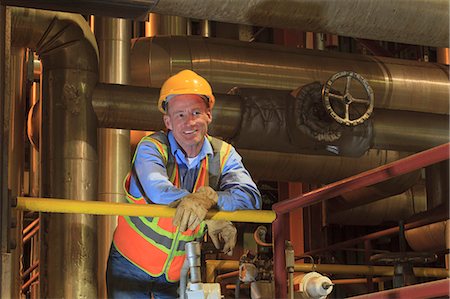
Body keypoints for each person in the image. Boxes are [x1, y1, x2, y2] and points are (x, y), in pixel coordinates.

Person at [106, 69, 262, 298]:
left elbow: (251, 197)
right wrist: (208, 216)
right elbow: (157, 191)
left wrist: (212, 201)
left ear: (209, 114)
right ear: (168, 121)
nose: (189, 122)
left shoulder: (224, 154)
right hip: (129, 264)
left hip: (177, 273)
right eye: (180, 115)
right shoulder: (152, 148)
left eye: (196, 112)